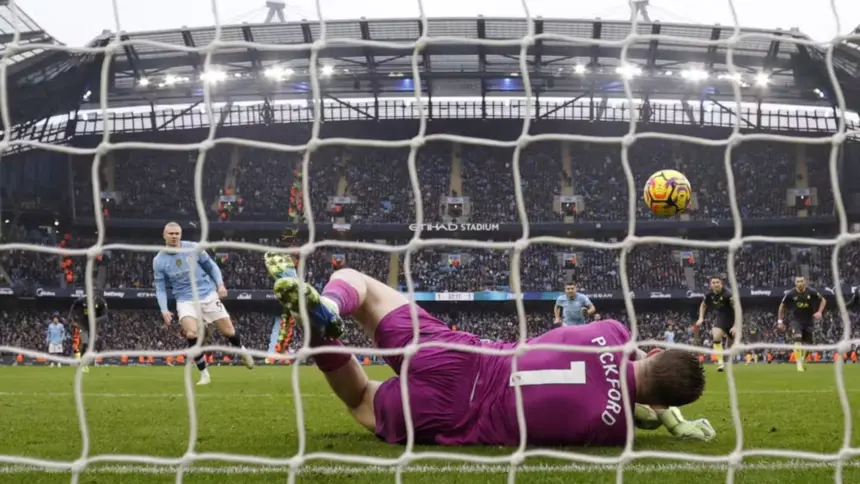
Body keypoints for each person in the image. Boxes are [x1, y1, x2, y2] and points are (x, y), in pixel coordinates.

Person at [263, 253, 715, 446]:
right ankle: (321, 336)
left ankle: (327, 306)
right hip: (453, 414)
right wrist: (674, 423)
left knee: (360, 284)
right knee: (362, 400)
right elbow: (637, 409)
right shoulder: (614, 430)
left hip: (461, 355)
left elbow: (629, 365)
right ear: (658, 401)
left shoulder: (614, 330)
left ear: (651, 352)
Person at [153, 222, 253, 385]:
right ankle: (204, 374)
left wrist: (220, 284)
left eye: (177, 233)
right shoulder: (159, 260)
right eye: (170, 234)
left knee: (229, 332)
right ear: (164, 235)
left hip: (207, 295)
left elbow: (212, 266)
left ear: (181, 235)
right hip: (185, 300)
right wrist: (164, 310)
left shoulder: (193, 248)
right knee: (191, 334)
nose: (174, 236)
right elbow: (160, 288)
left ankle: (241, 350)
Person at [777, 276, 825, 372]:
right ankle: (799, 363)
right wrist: (780, 321)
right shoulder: (790, 294)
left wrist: (820, 312)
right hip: (796, 321)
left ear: (805, 282)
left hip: (809, 321)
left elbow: (823, 300)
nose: (800, 283)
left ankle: (803, 360)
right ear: (795, 283)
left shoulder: (811, 291)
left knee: (807, 344)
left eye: (801, 281)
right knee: (797, 338)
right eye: (798, 281)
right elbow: (781, 307)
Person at [695, 276, 735, 372]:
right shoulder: (709, 294)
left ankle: (728, 357)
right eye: (713, 282)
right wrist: (701, 317)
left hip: (732, 318)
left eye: (717, 282)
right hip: (720, 317)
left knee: (730, 344)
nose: (715, 284)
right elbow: (703, 305)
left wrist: (736, 326)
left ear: (721, 284)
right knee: (716, 337)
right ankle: (720, 363)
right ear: (710, 285)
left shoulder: (728, 294)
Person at [67, 295, 108, 373]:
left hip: (93, 327)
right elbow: (74, 306)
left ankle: (92, 361)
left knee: (94, 344)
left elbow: (105, 316)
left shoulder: (100, 301)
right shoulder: (82, 300)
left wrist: (95, 319)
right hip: (83, 325)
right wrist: (71, 317)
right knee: (84, 343)